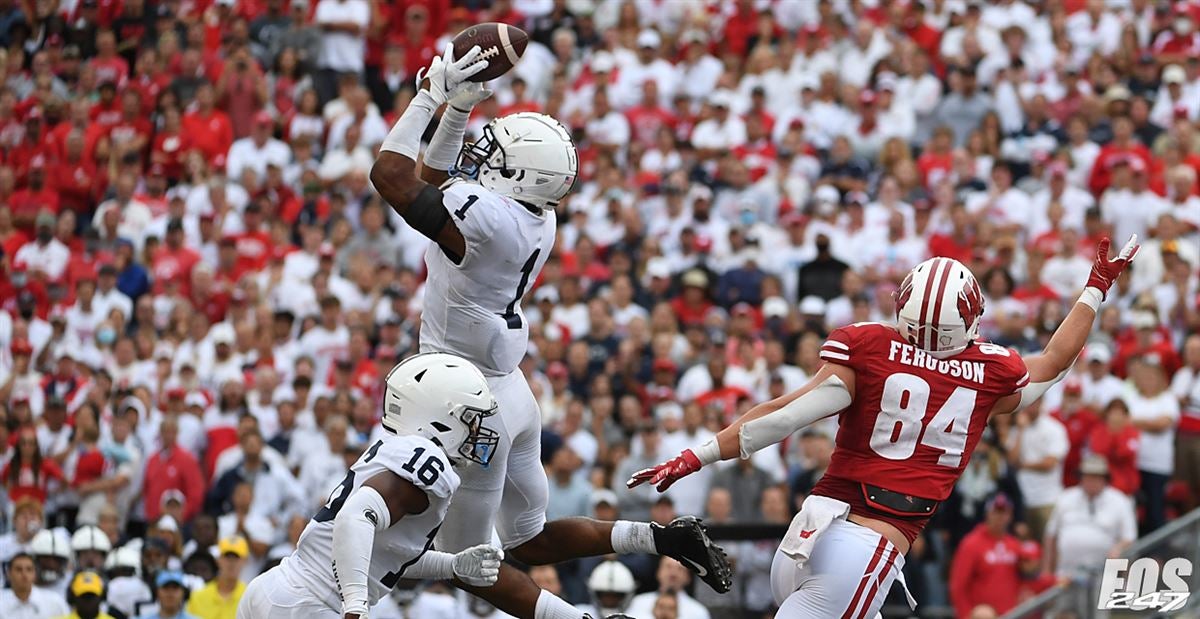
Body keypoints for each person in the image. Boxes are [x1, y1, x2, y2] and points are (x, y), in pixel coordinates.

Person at [369, 42, 732, 617]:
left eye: (496, 150)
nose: (482, 152)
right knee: (529, 539)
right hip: (511, 391)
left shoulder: (487, 218)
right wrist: (459, 112)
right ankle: (662, 538)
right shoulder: (538, 217)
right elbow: (438, 180)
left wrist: (431, 97)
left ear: (518, 173)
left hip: (465, 398)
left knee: (473, 564)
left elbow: (393, 174)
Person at [631, 236, 1139, 617]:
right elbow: (1053, 362)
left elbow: (785, 416)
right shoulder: (989, 374)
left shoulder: (867, 346)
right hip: (867, 548)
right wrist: (1096, 288)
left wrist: (695, 455)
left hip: (808, 528)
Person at [238, 353, 578, 619]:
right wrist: (356, 604)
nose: (477, 433)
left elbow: (385, 554)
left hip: (278, 589)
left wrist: (451, 565)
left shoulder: (401, 449)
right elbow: (356, 517)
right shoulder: (427, 459)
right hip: (312, 605)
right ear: (441, 418)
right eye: (470, 420)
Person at [1043, 456, 1136, 578]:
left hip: (1103, 574)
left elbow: (1129, 538)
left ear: (1105, 479)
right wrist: (1047, 572)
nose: (1091, 481)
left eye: (1096, 477)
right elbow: (1051, 536)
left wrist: (1119, 548)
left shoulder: (1120, 501)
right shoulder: (1065, 498)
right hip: (1066, 573)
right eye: (1087, 476)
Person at [949, 494, 1023, 617]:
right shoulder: (971, 543)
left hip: (1011, 613)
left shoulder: (1014, 544)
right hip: (982, 614)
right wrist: (965, 614)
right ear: (988, 514)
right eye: (996, 512)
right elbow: (958, 585)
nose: (1000, 517)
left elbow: (1029, 574)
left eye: (1005, 513)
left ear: (1010, 516)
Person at [188, 536, 249, 619]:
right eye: (227, 557)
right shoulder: (198, 597)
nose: (231, 563)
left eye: (236, 558)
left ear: (245, 561)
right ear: (218, 560)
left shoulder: (248, 597)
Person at [0, 552, 69, 619]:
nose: (24, 574)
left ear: (35, 573)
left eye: (29, 569)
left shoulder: (54, 602)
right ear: (8, 574)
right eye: (19, 569)